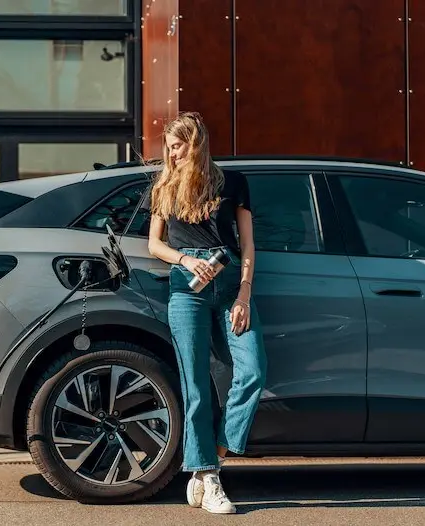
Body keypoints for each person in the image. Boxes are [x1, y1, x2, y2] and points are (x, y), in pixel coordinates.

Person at [142, 112, 267, 514]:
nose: (172, 153)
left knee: (253, 371)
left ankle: (212, 456)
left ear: (195, 143)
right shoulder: (164, 185)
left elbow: (247, 244)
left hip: (230, 284)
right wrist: (185, 260)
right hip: (187, 289)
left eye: (177, 146)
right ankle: (208, 476)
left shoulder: (232, 182)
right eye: (169, 147)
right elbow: (153, 245)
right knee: (195, 385)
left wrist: (244, 294)